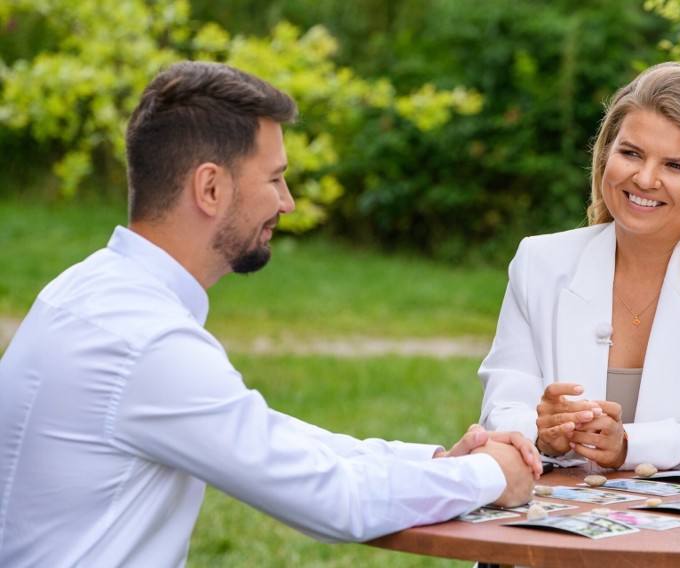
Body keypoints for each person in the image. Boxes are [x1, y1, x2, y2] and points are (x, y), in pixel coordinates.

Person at [0, 61, 541, 567]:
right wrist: (487, 475)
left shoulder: (89, 289)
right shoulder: (148, 342)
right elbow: (331, 501)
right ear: (210, 188)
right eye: (275, 178)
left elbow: (263, 436)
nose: (288, 202)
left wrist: (431, 463)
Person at [478, 61, 680, 473]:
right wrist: (542, 432)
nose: (645, 179)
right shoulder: (539, 262)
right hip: (567, 513)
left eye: (676, 165)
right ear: (606, 155)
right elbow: (502, 407)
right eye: (630, 153)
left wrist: (630, 445)